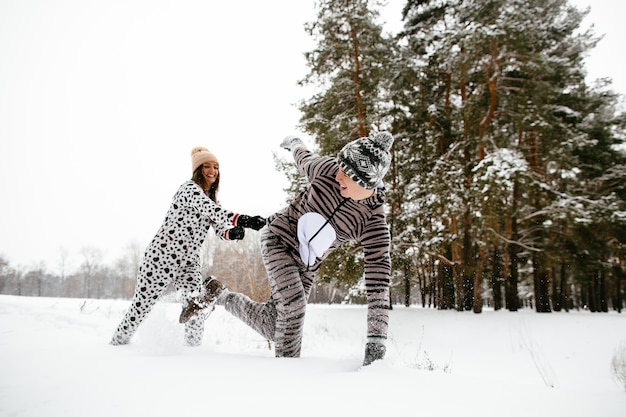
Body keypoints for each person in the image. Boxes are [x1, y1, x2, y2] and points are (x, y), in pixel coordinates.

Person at [180, 132, 394, 365]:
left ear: (365, 181)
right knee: (294, 307)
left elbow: (378, 285)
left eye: (347, 173)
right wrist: (294, 143)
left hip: (306, 265)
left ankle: (220, 295)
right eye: (340, 166)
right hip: (278, 239)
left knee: (275, 326)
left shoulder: (373, 221)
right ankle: (287, 377)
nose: (338, 174)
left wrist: (376, 340)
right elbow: (304, 157)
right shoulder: (326, 169)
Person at [110, 146, 266, 347]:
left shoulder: (212, 200)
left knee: (195, 310)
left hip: (189, 262)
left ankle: (192, 354)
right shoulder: (189, 189)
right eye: (206, 167)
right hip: (162, 256)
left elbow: (219, 228)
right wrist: (244, 220)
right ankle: (117, 345)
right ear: (197, 170)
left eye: (216, 167)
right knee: (141, 308)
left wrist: (232, 232)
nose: (212, 171)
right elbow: (213, 211)